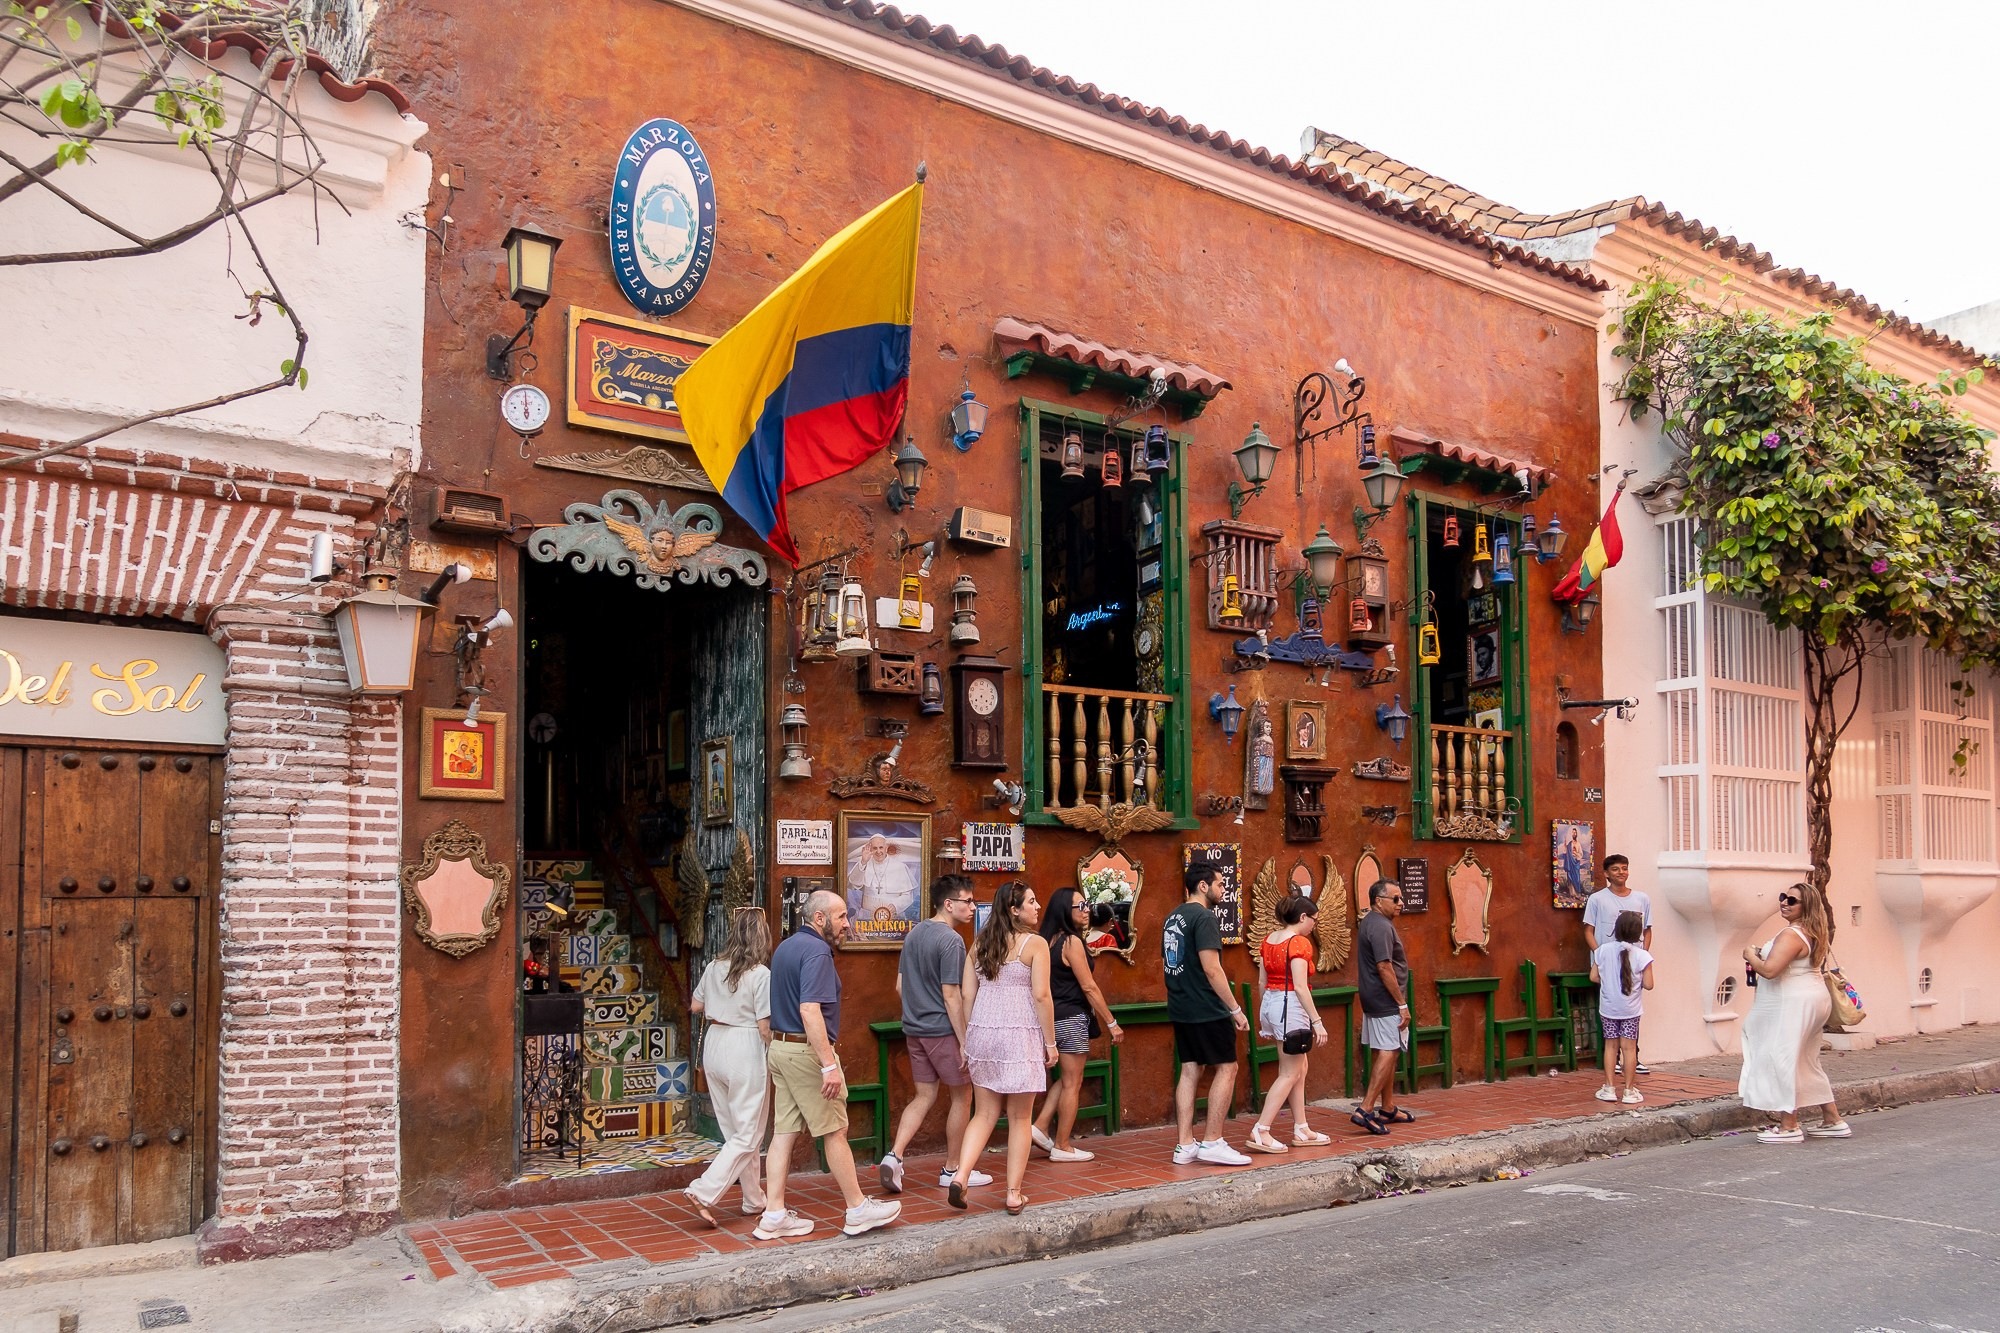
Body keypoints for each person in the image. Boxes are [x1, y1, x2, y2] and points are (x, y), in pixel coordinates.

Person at [755, 890, 901, 1240]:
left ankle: (774, 1214)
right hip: (806, 1052)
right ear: (819, 918)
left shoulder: (786, 947)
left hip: (781, 1048)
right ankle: (857, 1209)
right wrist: (827, 1065)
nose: (847, 924)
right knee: (835, 1130)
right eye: (841, 916)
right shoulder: (818, 951)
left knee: (784, 1133)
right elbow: (809, 1010)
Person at [946, 881, 1058, 1215]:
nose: (1037, 907)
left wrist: (969, 1038)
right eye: (1031, 901)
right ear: (1014, 910)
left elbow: (967, 994)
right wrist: (1050, 1042)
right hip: (1019, 1034)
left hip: (983, 1033)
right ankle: (1013, 1193)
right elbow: (1042, 996)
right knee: (1021, 1117)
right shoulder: (1035, 944)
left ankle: (961, 1176)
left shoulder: (980, 944)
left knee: (983, 1114)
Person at [877, 875, 992, 1196]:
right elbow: (951, 995)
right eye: (968, 901)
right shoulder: (952, 941)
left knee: (923, 1096)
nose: (973, 907)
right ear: (949, 904)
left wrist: (917, 1013)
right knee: (962, 1096)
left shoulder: (914, 934)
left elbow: (900, 986)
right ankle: (952, 1169)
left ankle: (894, 1155)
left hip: (914, 1030)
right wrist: (965, 1040)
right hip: (943, 1031)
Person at [1740, 884, 1849, 1144]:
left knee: (1783, 1058)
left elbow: (1770, 971)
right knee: (1805, 1061)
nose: (1784, 902)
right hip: (1811, 998)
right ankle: (1833, 1119)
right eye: (1783, 897)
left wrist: (1750, 955)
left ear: (1806, 906)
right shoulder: (1813, 932)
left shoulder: (1792, 934)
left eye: (1792, 900)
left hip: (1792, 1002)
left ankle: (1789, 1125)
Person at [684, 907, 772, 1225]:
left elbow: (696, 1005)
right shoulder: (761, 974)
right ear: (762, 938)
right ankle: (703, 1190)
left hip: (715, 1042)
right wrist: (774, 1052)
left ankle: (753, 1199)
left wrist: (721, 1000)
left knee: (736, 1131)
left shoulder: (713, 966)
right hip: (745, 1046)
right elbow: (764, 1026)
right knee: (749, 1133)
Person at [1164, 865, 1252, 1165]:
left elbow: (1171, 963)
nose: (1223, 889)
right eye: (1220, 884)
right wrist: (1235, 1009)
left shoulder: (1172, 917)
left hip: (1180, 1005)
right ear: (1203, 886)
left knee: (1190, 1070)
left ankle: (1185, 1145)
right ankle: (1213, 1140)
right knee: (1227, 1067)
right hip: (1206, 1006)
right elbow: (1212, 968)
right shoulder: (1204, 917)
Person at [1031, 888, 1123, 1162]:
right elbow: (1089, 987)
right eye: (1080, 906)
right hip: (1071, 1018)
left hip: (1049, 1019)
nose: (1087, 910)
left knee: (1066, 1079)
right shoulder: (1070, 942)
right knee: (1074, 1082)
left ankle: (1040, 1126)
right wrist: (1111, 1022)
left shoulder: (1045, 941)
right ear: (1064, 910)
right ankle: (1062, 1145)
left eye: (1087, 904)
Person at [1246, 894, 1330, 1153]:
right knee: (1290, 1072)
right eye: (1314, 919)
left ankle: (1302, 1127)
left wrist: (1267, 1012)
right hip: (1291, 1005)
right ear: (1303, 917)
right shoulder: (1299, 943)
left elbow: (1261, 982)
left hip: (1272, 1003)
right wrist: (1317, 1021)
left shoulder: (1269, 940)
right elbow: (1301, 987)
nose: (1314, 925)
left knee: (1299, 1067)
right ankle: (1261, 1129)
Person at [1584, 853, 1653, 1075]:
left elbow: (1647, 930)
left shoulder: (1642, 898)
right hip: (1608, 966)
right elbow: (1588, 930)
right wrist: (1600, 955)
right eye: (1615, 869)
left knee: (1632, 1009)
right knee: (1609, 1009)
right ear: (1606, 873)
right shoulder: (1597, 899)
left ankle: (1634, 1057)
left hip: (1633, 965)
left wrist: (1641, 956)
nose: (1621, 873)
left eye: (1624, 868)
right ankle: (1611, 1058)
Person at [1354, 879, 1412, 1135]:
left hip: (1376, 997)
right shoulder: (1379, 926)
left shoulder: (1373, 922)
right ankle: (1365, 1109)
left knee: (1392, 1049)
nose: (1401, 903)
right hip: (1385, 998)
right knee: (1388, 1050)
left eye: (1401, 898)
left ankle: (1387, 1108)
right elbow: (1384, 966)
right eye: (1396, 899)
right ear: (1378, 901)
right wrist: (1402, 1003)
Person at [1589, 910, 1654, 1105]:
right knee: (1629, 1049)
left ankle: (1609, 1088)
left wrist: (1609, 982)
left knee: (1610, 1046)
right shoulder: (1643, 956)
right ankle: (1629, 1091)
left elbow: (1593, 977)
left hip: (1609, 1008)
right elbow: (1649, 984)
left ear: (1616, 929)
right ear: (1638, 933)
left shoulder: (1602, 951)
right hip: (1630, 1010)